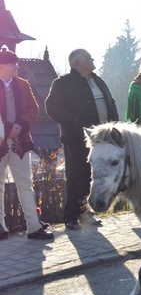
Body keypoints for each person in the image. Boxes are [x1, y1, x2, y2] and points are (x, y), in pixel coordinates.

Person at [46, 49, 118, 230]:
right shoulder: (63, 83)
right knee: (76, 176)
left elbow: (111, 102)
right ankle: (70, 216)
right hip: (77, 138)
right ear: (77, 63)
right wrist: (74, 121)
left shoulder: (97, 80)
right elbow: (52, 107)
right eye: (88, 57)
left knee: (92, 176)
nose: (92, 59)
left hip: (101, 140)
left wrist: (114, 123)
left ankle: (86, 213)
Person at [0, 48, 53, 240]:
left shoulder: (23, 84)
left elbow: (33, 108)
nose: (17, 66)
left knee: (25, 184)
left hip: (20, 142)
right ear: (2, 65)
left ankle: (33, 226)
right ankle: (1, 227)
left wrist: (20, 125)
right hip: (0, 142)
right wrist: (6, 127)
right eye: (13, 64)